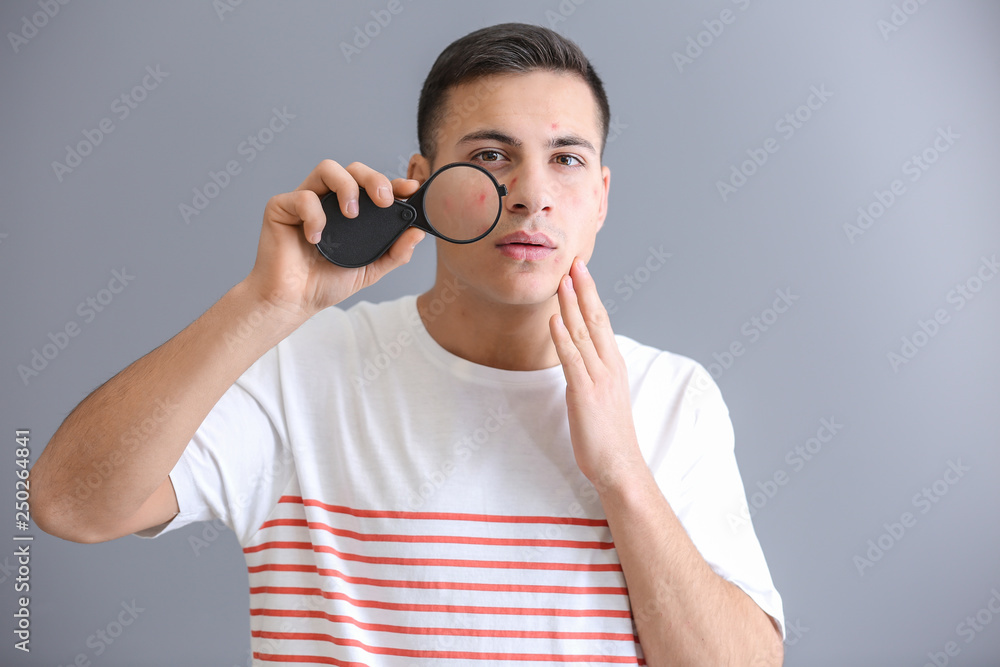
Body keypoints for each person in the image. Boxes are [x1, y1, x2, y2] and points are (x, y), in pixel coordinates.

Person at [31, 22, 785, 665]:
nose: (529, 192)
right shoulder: (298, 369)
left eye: (566, 157)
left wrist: (622, 472)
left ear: (600, 199)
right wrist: (265, 304)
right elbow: (70, 504)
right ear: (421, 185)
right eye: (491, 156)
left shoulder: (673, 399)